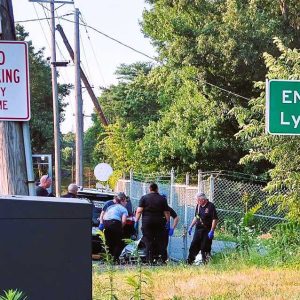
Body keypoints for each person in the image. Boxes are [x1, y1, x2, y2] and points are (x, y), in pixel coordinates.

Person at [135, 182, 170, 264]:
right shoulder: (162, 199)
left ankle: (149, 261)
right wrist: (168, 222)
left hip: (147, 223)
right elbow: (166, 212)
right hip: (159, 223)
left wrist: (136, 221)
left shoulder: (144, 198)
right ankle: (162, 260)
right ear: (157, 189)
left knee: (148, 241)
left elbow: (139, 211)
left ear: (149, 189)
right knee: (160, 241)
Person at [187, 192, 218, 264]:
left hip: (207, 230)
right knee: (193, 245)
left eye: (198, 200)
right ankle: (189, 262)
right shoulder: (198, 206)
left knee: (205, 247)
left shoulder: (210, 206)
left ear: (203, 200)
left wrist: (212, 230)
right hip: (198, 229)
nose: (197, 202)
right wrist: (191, 226)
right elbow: (196, 217)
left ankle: (206, 264)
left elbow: (215, 219)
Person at [102, 195, 128, 262]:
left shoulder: (111, 206)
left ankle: (106, 259)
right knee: (120, 242)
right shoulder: (123, 209)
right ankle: (115, 259)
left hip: (105, 222)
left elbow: (103, 215)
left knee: (108, 241)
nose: (126, 202)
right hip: (115, 222)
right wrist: (119, 228)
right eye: (125, 201)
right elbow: (124, 221)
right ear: (122, 201)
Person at [161, 194, 179, 262]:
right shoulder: (156, 208)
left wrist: (172, 228)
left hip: (165, 229)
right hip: (156, 229)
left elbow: (176, 218)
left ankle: (164, 260)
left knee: (164, 245)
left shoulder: (168, 208)